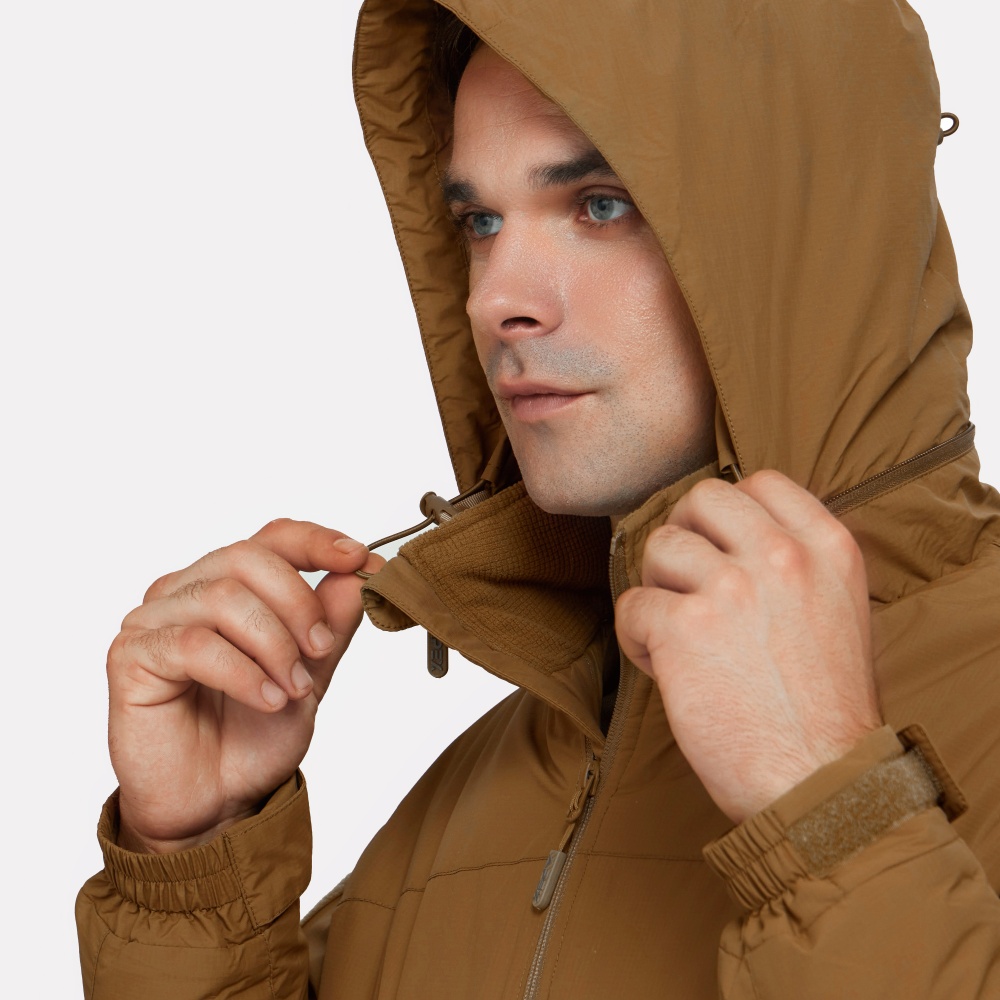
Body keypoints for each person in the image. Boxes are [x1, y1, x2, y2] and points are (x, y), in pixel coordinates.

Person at [77, 0, 1000, 996]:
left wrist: (834, 814)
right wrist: (195, 869)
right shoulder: (476, 798)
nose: (492, 300)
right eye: (479, 222)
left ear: (813, 231)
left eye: (600, 204)